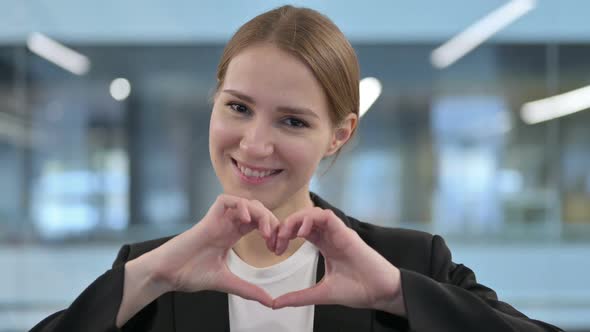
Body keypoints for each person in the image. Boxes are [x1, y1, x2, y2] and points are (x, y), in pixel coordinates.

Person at [30, 5, 562, 332]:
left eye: (292, 121)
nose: (256, 144)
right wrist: (151, 278)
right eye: (238, 107)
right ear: (214, 102)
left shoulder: (410, 262)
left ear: (339, 134)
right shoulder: (150, 271)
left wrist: (395, 293)